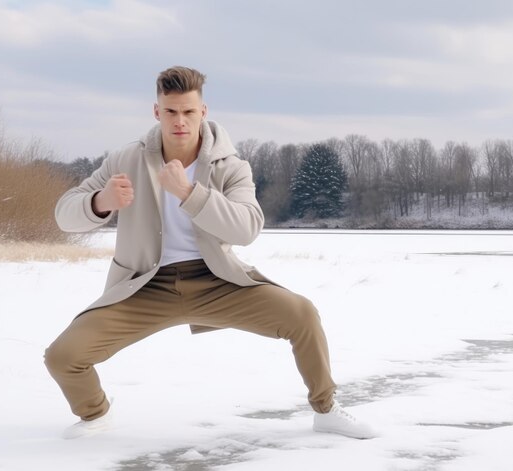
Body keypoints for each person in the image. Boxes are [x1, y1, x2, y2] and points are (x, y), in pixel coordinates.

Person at [44, 66, 375, 440]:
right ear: (157, 112)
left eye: (188, 112)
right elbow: (63, 215)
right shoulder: (126, 160)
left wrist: (189, 194)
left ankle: (326, 409)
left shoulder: (232, 166)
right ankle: (95, 414)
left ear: (204, 112)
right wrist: (100, 201)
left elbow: (247, 227)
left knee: (302, 315)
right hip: (144, 287)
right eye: (171, 112)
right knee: (62, 356)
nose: (180, 121)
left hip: (217, 281)